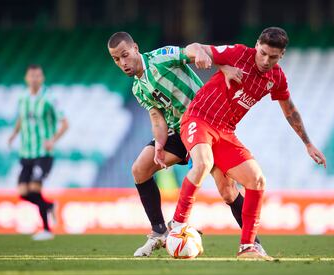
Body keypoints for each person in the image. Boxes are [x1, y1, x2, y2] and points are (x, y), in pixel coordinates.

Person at [169, 27, 327, 260]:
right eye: (262, 53)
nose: (265, 60)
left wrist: (308, 143)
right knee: (203, 163)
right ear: (257, 45)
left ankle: (247, 247)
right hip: (199, 117)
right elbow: (198, 49)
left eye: (272, 57)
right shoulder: (238, 54)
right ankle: (177, 225)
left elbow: (289, 110)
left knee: (256, 180)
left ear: (281, 55)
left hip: (225, 131)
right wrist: (211, 60)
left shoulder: (276, 78)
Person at [107, 32, 265, 257]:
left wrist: (219, 65)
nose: (123, 63)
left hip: (203, 122)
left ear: (135, 48)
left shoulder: (159, 57)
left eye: (125, 55)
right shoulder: (138, 88)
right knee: (139, 169)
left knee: (228, 191)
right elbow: (157, 118)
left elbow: (192, 50)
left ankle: (253, 244)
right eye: (116, 59)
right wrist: (160, 145)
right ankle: (159, 232)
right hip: (177, 132)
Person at [8, 64, 69, 240]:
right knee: (23, 192)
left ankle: (47, 230)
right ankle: (49, 206)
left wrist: (53, 140)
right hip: (26, 152)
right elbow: (21, 117)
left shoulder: (49, 98)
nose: (34, 79)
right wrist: (14, 134)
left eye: (38, 76)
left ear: (42, 78)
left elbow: (65, 123)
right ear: (26, 78)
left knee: (35, 188)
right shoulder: (22, 98)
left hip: (43, 153)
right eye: (31, 76)